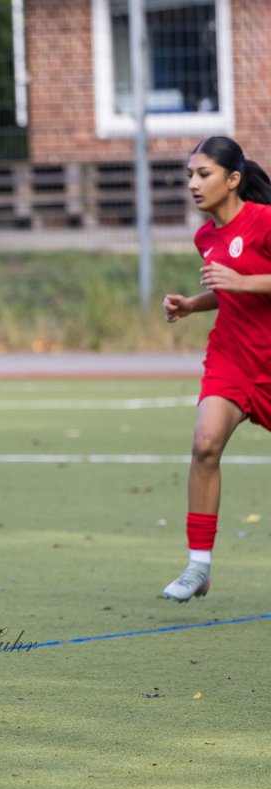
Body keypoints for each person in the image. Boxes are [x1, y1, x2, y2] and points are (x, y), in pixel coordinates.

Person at [161, 135, 271, 602]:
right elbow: (229, 290)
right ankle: (197, 567)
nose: (193, 183)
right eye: (189, 175)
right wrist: (193, 304)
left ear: (233, 179)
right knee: (204, 444)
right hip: (231, 358)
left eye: (203, 174)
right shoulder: (205, 237)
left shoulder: (265, 222)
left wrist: (243, 281)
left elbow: (243, 282)